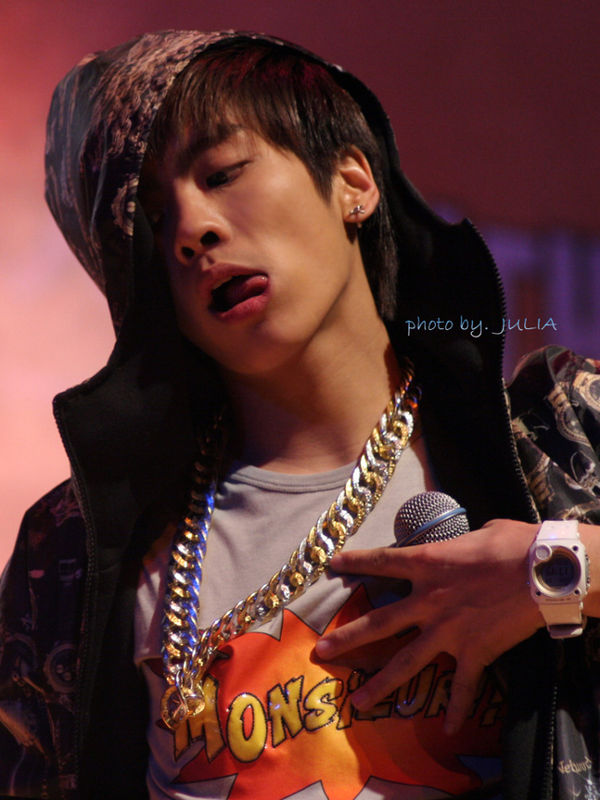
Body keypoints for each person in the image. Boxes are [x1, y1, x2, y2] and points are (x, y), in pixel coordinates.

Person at [1, 29, 600, 800]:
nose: (192, 230)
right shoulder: (80, 562)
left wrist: (561, 568)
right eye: (151, 219)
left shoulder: (561, 436)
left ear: (354, 180)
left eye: (223, 173)